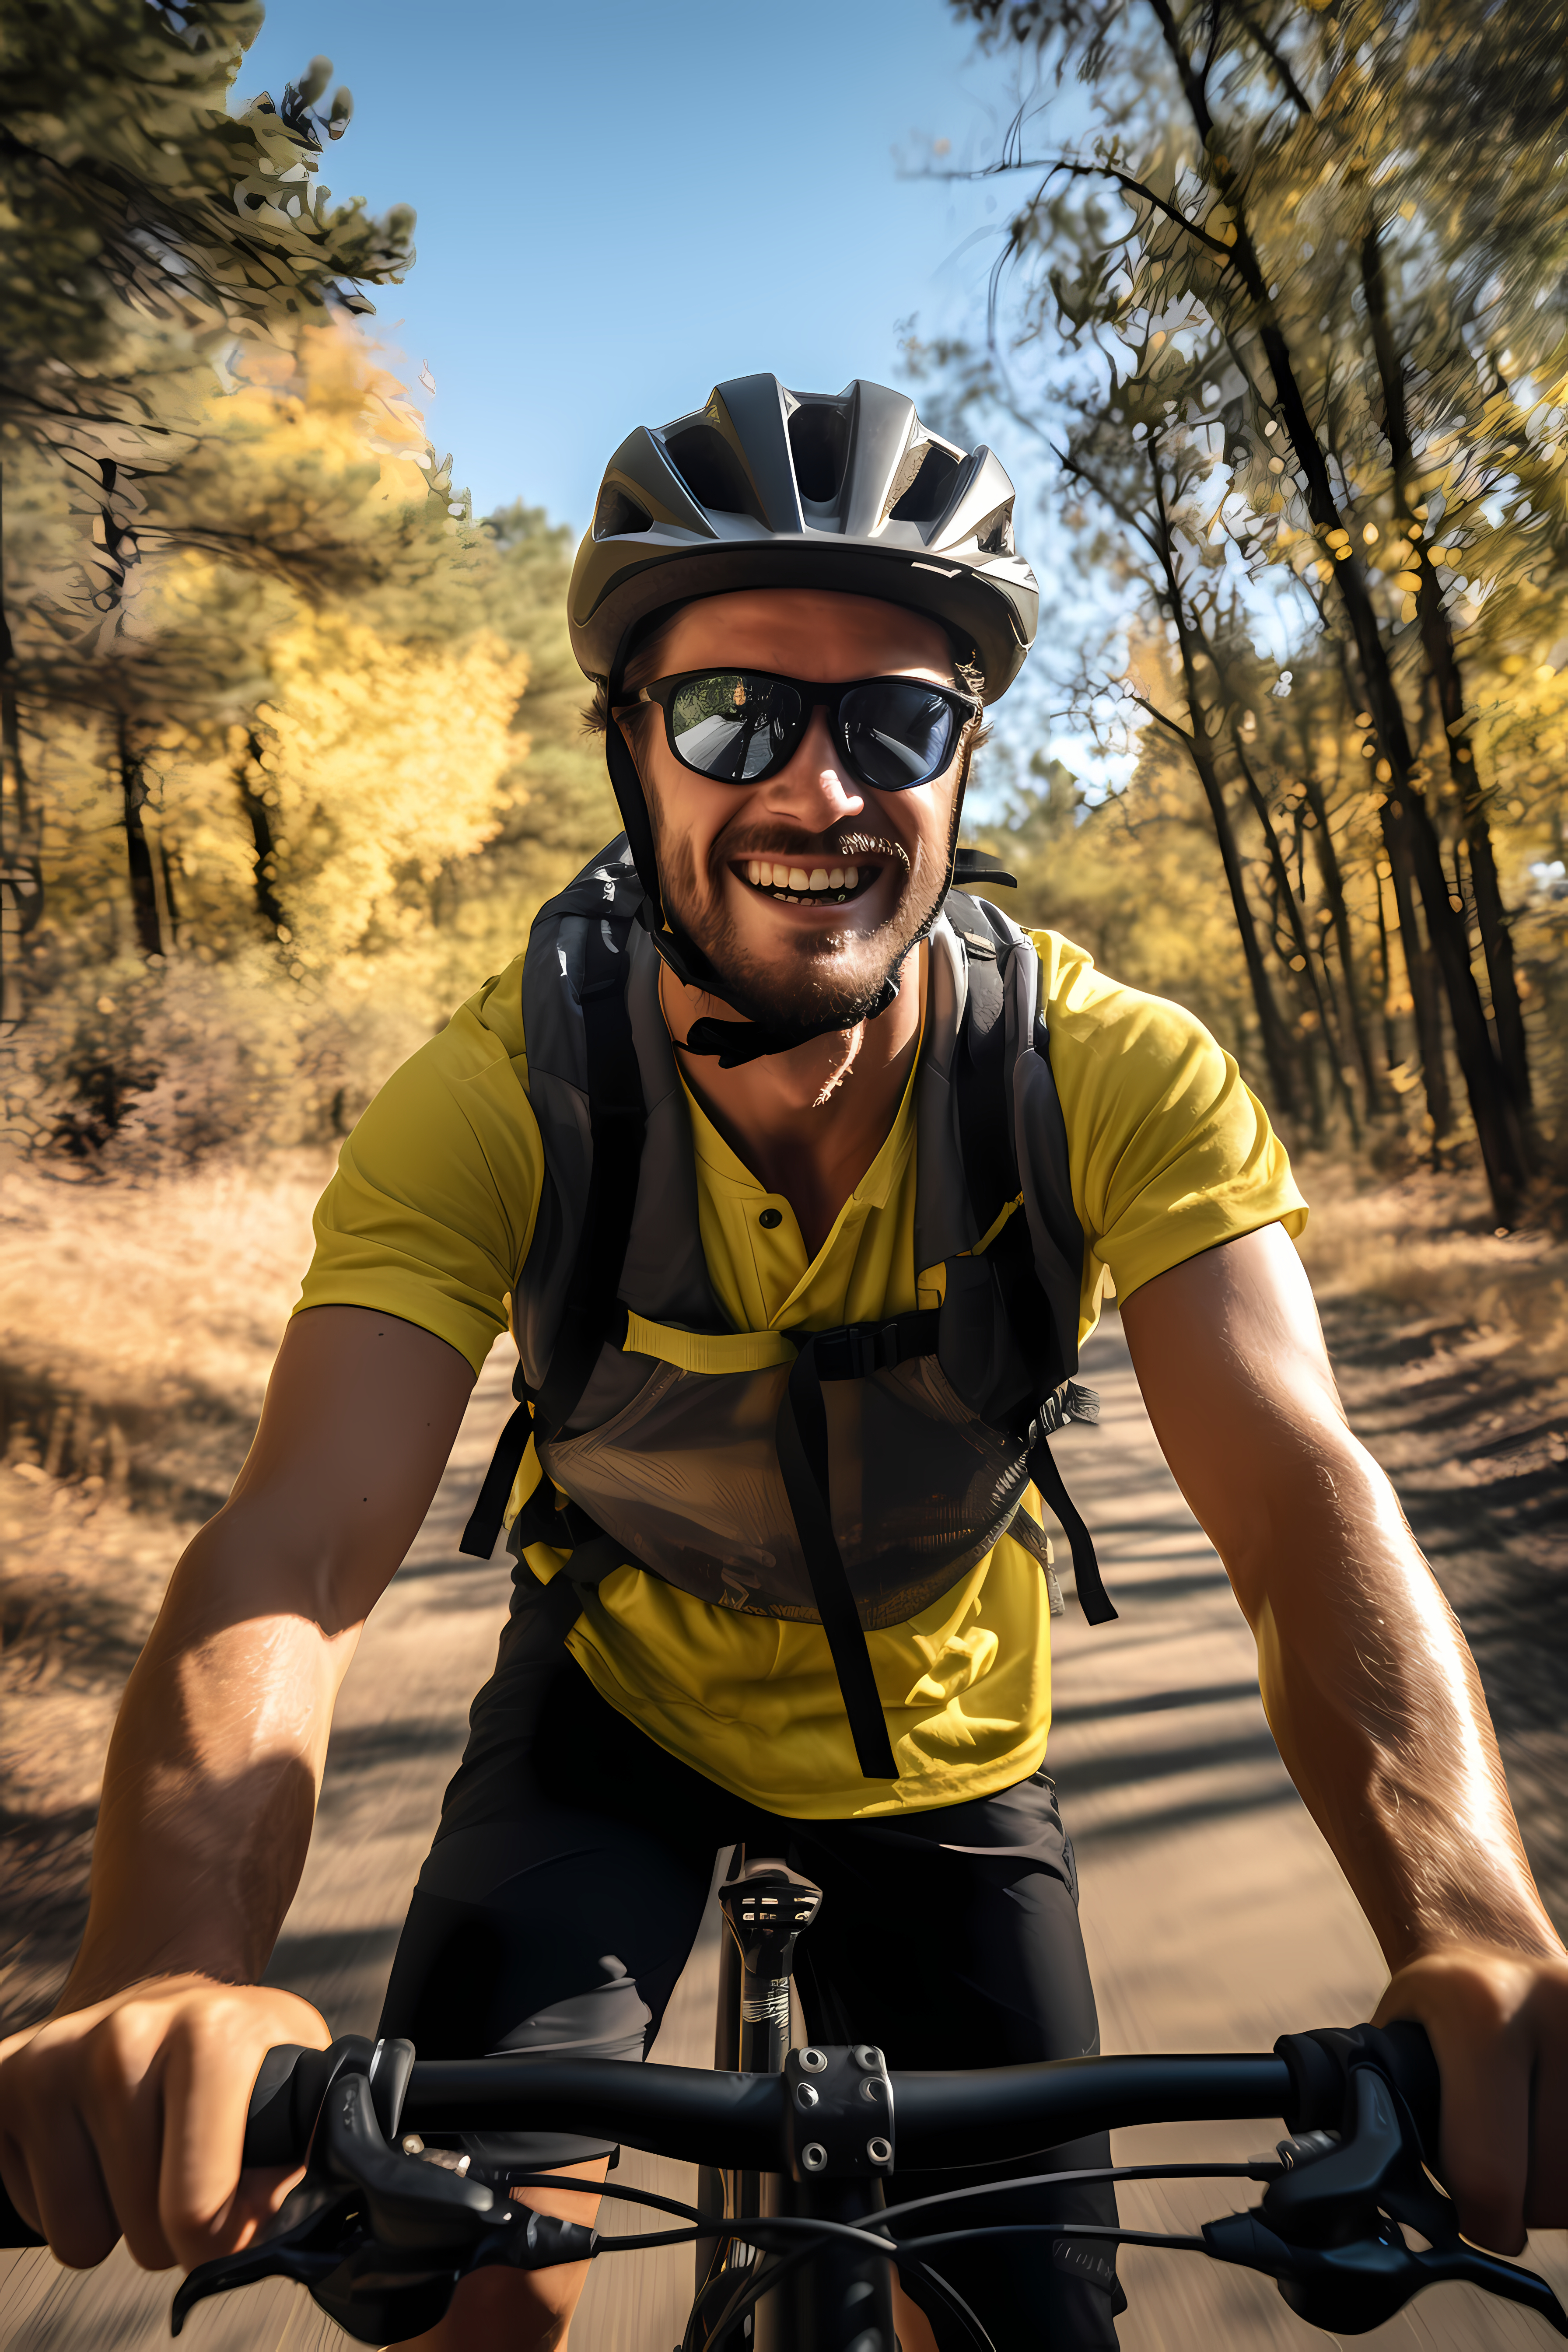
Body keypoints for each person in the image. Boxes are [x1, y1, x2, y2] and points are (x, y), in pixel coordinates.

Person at [1, 374, 1563, 2352]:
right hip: (610, 1719)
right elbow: (293, 1551)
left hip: (947, 1747)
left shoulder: (1108, 1073)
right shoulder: (504, 1095)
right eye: (736, 713)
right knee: (464, 2293)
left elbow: (1295, 1497)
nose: (818, 792)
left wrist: (1469, 1923)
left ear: (963, 761)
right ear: (626, 751)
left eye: (894, 722)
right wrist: (168, 1951)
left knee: (1031, 2334)